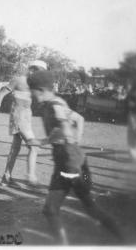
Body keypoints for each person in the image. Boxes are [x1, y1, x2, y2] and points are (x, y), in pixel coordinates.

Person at [27, 70, 122, 244]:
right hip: (67, 158)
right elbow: (79, 119)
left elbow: (65, 129)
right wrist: (73, 141)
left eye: (31, 91)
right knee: (84, 207)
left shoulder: (55, 105)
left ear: (39, 89)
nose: (31, 95)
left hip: (69, 161)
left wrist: (44, 141)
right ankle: (121, 237)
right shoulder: (55, 103)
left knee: (52, 209)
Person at [0, 60, 47, 186]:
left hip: (26, 117)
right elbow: (2, 93)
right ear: (32, 70)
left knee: (15, 148)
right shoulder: (19, 80)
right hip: (18, 117)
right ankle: (31, 178)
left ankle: (6, 177)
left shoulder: (35, 85)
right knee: (34, 147)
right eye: (39, 72)